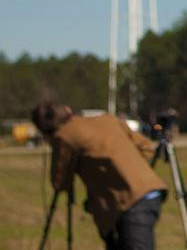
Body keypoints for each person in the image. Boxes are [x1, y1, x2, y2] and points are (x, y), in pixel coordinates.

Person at [30, 102, 167, 250]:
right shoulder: (107, 119)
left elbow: (60, 182)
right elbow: (146, 147)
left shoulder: (63, 136)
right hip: (150, 193)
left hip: (128, 204)